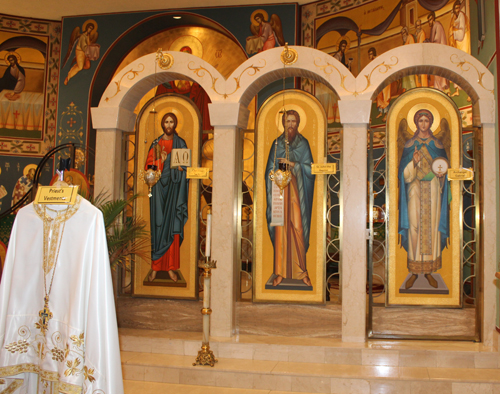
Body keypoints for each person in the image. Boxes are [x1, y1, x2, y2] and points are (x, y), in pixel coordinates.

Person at [398, 109, 450, 290]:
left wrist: (442, 175)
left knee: (431, 227)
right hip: (414, 190)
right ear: (416, 123)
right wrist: (412, 161)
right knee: (414, 227)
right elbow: (403, 175)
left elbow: (443, 169)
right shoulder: (408, 144)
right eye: (420, 120)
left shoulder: (438, 144)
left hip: (433, 190)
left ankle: (429, 271)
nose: (423, 124)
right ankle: (413, 271)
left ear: (430, 123)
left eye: (426, 120)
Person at [265, 110, 315, 287]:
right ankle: (279, 272)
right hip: (280, 195)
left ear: (298, 123)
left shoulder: (304, 144)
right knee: (281, 230)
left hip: (298, 194)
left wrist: (294, 165)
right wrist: (276, 172)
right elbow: (268, 172)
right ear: (283, 123)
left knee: (298, 229)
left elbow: (311, 169)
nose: (291, 124)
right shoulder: (277, 143)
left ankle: (301, 272)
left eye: (294, 121)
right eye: (288, 121)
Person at [145, 113, 189, 282]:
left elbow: (186, 166)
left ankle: (171, 268)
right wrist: (160, 162)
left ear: (175, 123)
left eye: (171, 121)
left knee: (172, 227)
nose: (169, 124)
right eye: (166, 122)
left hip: (174, 191)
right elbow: (149, 169)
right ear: (162, 124)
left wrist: (181, 169)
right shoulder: (156, 144)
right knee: (158, 226)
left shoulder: (181, 143)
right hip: (157, 192)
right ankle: (155, 267)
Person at [448, 0, 470, 97]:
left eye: (458, 8)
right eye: (455, 8)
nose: (457, 10)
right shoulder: (454, 17)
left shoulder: (461, 15)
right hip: (457, 44)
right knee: (457, 66)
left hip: (463, 43)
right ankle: (457, 89)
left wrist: (453, 32)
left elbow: (461, 32)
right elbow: (451, 28)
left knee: (465, 65)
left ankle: (469, 91)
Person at [427, 11, 449, 92]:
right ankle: (438, 88)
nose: (429, 22)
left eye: (429, 20)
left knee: (438, 72)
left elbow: (437, 40)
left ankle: (439, 89)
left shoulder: (437, 26)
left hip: (440, 53)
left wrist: (429, 43)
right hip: (436, 53)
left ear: (432, 19)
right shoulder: (433, 27)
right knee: (436, 73)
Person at [368, 47, 391, 121]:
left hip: (384, 81)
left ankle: (386, 114)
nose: (369, 56)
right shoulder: (372, 62)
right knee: (379, 96)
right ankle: (381, 112)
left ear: (373, 53)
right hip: (379, 82)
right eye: (369, 54)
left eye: (370, 54)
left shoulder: (379, 59)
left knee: (385, 97)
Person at [400, 27, 416, 91]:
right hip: (406, 63)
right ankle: (407, 90)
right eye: (402, 33)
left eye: (404, 33)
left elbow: (412, 49)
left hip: (411, 61)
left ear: (406, 32)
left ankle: (413, 89)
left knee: (411, 77)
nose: (403, 34)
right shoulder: (404, 41)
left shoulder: (410, 37)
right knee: (405, 77)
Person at [414, 20, 428, 87]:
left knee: (423, 75)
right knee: (417, 75)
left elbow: (420, 46)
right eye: (416, 26)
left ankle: (424, 88)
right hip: (417, 58)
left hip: (422, 57)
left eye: (419, 25)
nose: (418, 27)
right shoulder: (416, 34)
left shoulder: (422, 33)